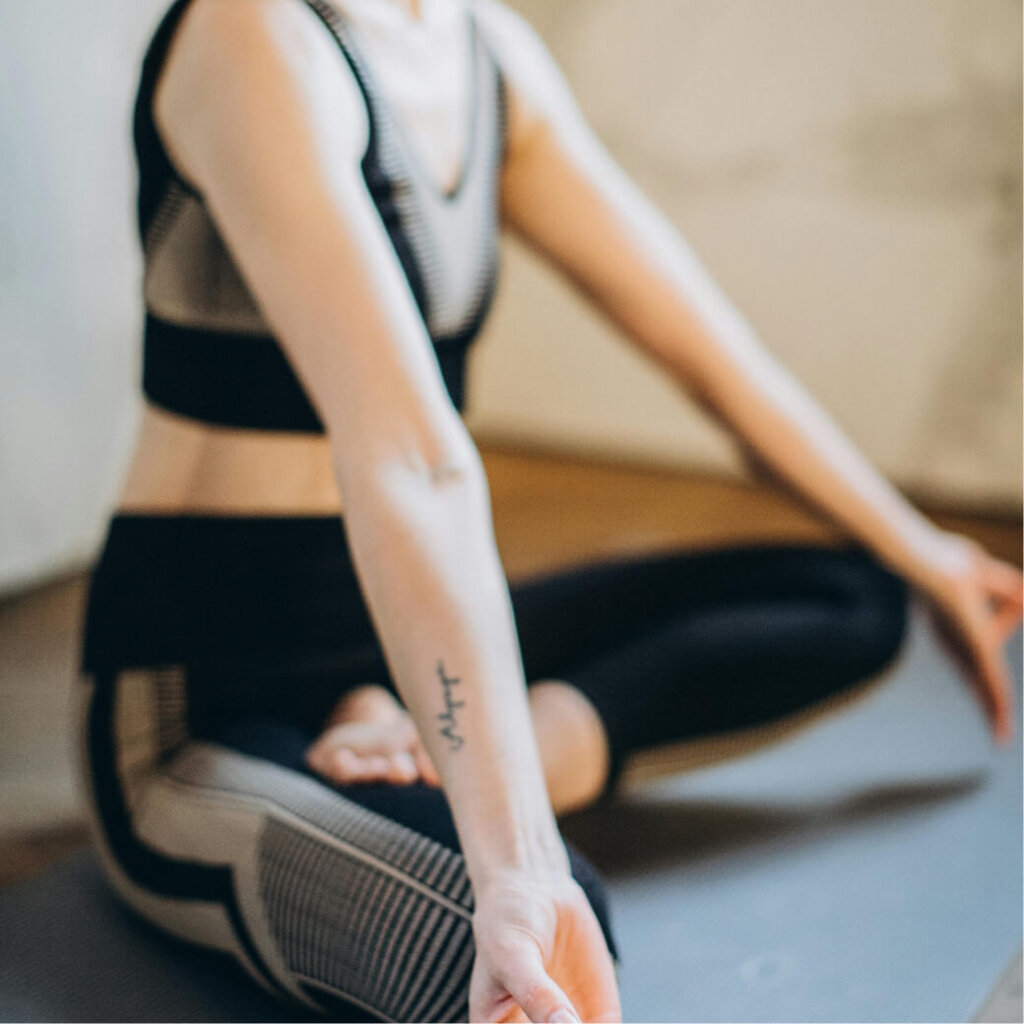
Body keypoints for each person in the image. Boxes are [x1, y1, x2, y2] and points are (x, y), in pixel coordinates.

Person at [77, 0, 1024, 1020]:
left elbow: (709, 357)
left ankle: (429, 744)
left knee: (854, 595)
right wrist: (519, 866)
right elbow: (411, 460)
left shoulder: (483, 52)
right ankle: (443, 762)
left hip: (394, 644)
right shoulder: (253, 34)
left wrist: (924, 547)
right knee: (521, 956)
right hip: (198, 704)